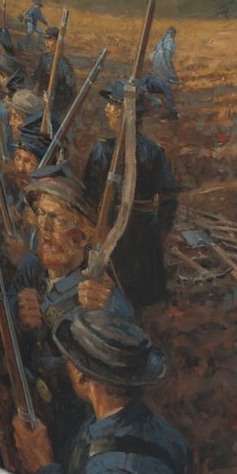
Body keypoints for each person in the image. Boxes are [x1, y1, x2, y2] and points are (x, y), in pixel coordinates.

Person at [12, 308, 190, 474]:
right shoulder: (156, 429)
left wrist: (44, 467)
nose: (64, 365)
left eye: (67, 360)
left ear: (80, 375)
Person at [9, 174, 129, 459]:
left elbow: (127, 339)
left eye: (58, 219)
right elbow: (1, 317)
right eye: (41, 215)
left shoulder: (96, 291)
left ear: (83, 233)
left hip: (73, 423)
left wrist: (108, 306)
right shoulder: (32, 268)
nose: (45, 228)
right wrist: (17, 315)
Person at [82, 82, 179, 310]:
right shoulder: (154, 150)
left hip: (114, 229)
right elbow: (169, 197)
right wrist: (159, 228)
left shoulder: (103, 150)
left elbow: (90, 192)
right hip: (145, 231)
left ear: (124, 113)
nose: (107, 111)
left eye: (112, 107)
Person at [146, 24, 180, 118]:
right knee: (168, 89)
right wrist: (170, 72)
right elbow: (167, 57)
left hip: (158, 70)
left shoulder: (160, 42)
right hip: (164, 70)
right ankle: (172, 112)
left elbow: (151, 56)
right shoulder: (170, 42)